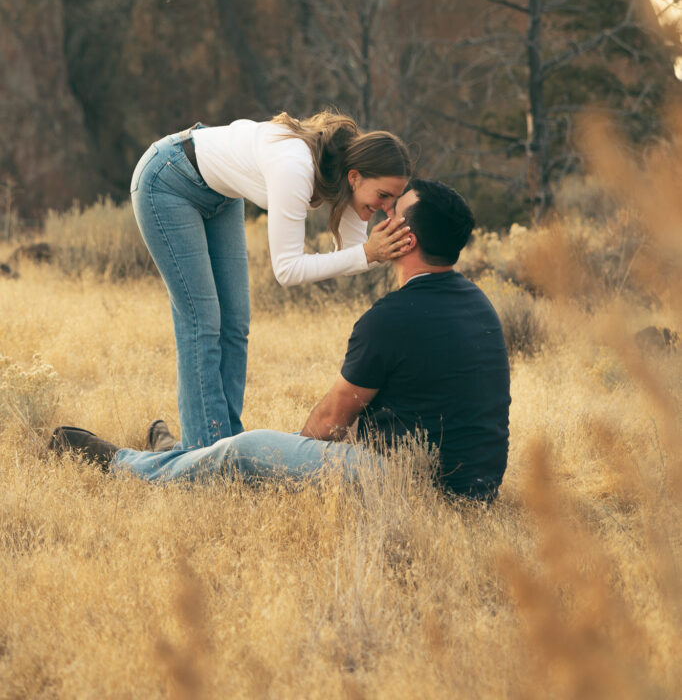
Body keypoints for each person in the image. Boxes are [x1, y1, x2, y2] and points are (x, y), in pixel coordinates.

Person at [50, 179, 511, 500]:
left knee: (251, 450)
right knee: (246, 455)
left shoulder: (393, 318)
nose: (384, 212)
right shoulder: (478, 304)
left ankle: (125, 466)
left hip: (409, 484)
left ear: (405, 239)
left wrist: (283, 456)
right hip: (478, 487)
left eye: (395, 211)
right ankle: (185, 458)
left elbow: (330, 421)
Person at [129, 111, 412, 451]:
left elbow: (354, 254)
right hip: (169, 179)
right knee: (202, 322)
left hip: (220, 195)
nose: (386, 208)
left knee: (234, 324)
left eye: (393, 200)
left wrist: (389, 246)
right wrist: (369, 252)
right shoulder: (296, 168)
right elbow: (287, 270)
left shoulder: (349, 180)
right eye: (383, 196)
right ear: (355, 177)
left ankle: (226, 445)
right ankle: (204, 453)